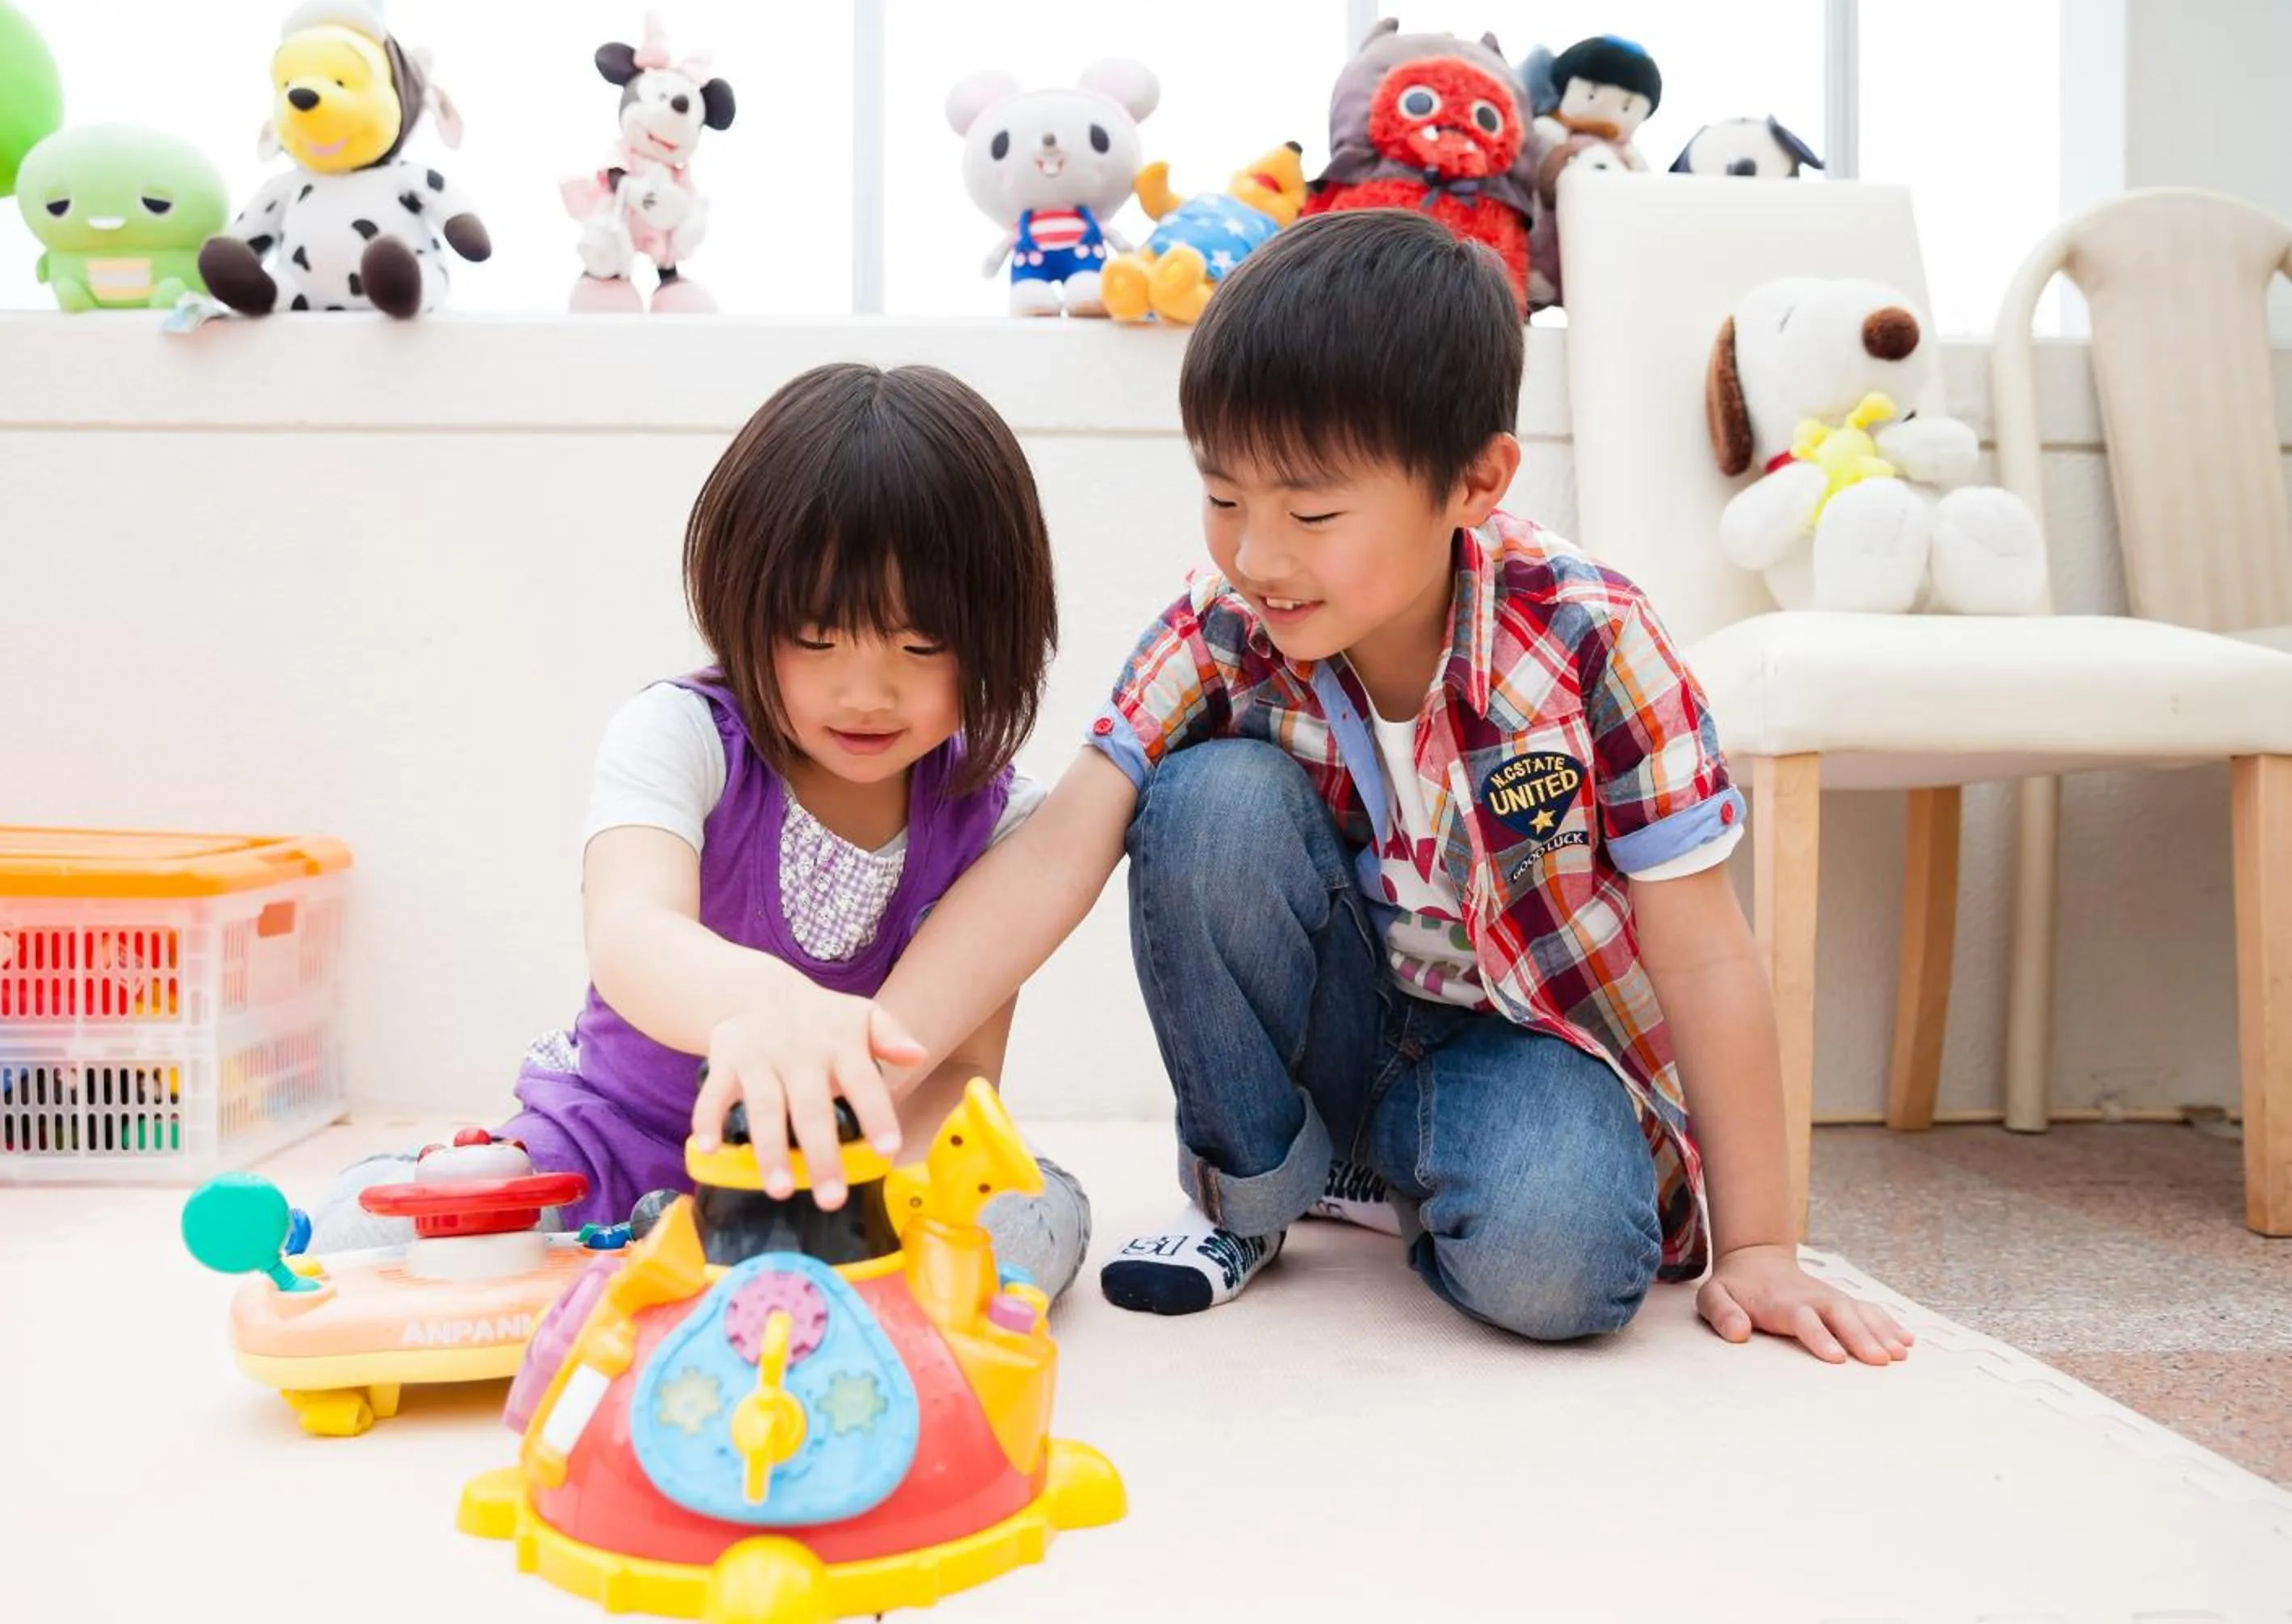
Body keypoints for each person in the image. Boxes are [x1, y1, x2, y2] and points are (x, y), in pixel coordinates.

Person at [713, 211, 1912, 1363]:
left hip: (1523, 1048)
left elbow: (1703, 952)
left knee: (1572, 1276)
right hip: (1333, 1019)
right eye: (1225, 497)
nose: (1258, 553)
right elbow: (1056, 849)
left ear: (1474, 484)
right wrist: (865, 1070)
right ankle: (1258, 1191)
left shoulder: (1592, 637)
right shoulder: (1220, 627)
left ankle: (1387, 1173)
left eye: (1312, 510)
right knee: (1202, 801)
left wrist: (1760, 1244)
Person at [305, 362, 1092, 1298]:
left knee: (1030, 1226)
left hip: (831, 1187)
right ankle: (665, 1251)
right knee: (363, 1231)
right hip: (616, 1139)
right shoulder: (681, 735)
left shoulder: (998, 819)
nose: (866, 690)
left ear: (996, 633)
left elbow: (959, 1066)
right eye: (815, 636)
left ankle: (728, 1269)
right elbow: (631, 929)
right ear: (745, 606)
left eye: (921, 647)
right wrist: (766, 1009)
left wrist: (906, 1199)